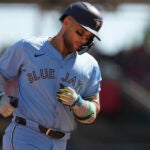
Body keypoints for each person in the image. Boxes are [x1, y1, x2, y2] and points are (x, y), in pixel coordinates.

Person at [0, 1, 103, 150]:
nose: (83, 40)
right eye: (80, 32)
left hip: (60, 142)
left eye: (89, 37)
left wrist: (78, 103)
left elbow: (93, 111)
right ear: (67, 21)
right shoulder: (27, 47)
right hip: (26, 135)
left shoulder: (90, 65)